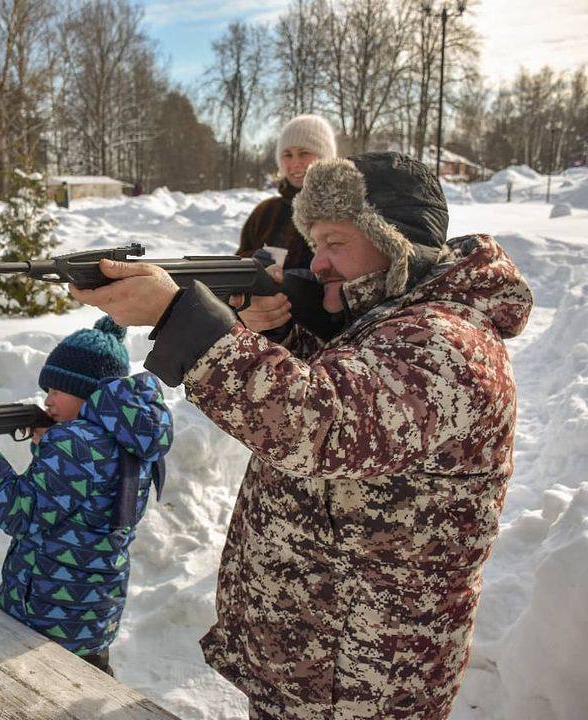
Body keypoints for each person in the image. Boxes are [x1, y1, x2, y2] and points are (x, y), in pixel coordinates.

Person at [70, 152, 533, 718]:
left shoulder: (446, 344)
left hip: (365, 682)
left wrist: (180, 318)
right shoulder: (380, 324)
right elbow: (338, 383)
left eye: (335, 242)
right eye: (313, 244)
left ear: (398, 242)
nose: (317, 265)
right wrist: (282, 328)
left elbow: (320, 426)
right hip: (313, 663)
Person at [0, 317, 173, 674]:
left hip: (45, 607)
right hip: (92, 608)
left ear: (86, 391)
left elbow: (20, 514)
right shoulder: (128, 432)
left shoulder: (73, 443)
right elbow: (78, 495)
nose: (47, 400)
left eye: (57, 391)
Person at [237, 114, 337, 272]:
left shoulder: (342, 209)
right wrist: (260, 264)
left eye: (304, 153)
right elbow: (239, 267)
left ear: (325, 157)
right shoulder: (266, 212)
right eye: (287, 155)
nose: (295, 163)